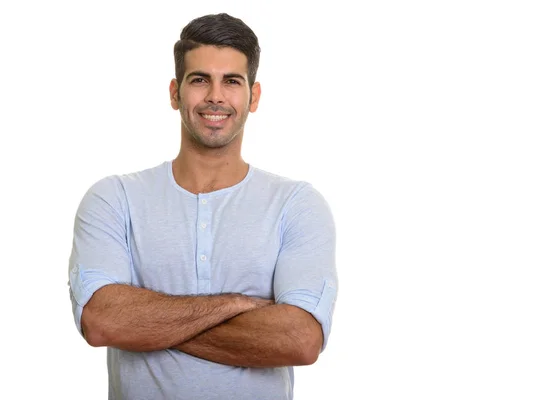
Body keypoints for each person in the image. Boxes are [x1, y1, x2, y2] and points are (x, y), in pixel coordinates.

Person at [67, 12, 338, 400]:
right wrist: (234, 304)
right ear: (175, 92)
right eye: (199, 80)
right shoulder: (114, 199)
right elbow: (102, 322)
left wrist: (147, 325)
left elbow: (300, 340)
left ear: (253, 96)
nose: (215, 96)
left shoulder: (297, 205)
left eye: (231, 81)